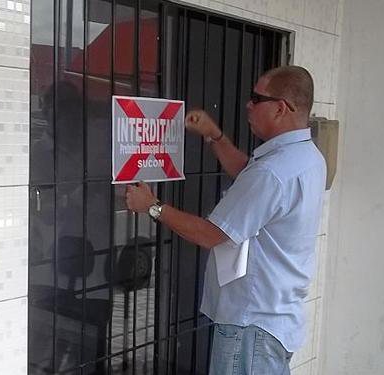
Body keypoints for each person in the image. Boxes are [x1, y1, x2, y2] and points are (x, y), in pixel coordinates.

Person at [125, 65, 326, 375]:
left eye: (256, 98)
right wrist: (214, 136)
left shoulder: (273, 172)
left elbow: (212, 234)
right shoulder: (306, 156)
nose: (248, 104)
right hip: (275, 318)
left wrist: (153, 207)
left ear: (281, 109)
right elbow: (250, 177)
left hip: (252, 326)